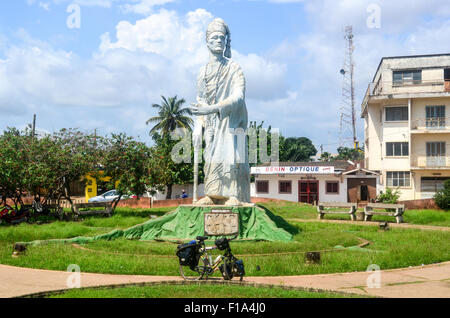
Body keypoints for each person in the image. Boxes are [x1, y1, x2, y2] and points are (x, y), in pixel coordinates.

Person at [190, 18, 250, 206]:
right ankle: (212, 194)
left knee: (231, 155)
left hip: (231, 121)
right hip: (211, 125)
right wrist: (197, 125)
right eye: (214, 37)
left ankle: (234, 195)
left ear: (226, 42)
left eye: (221, 38)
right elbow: (200, 102)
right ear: (207, 41)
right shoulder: (203, 72)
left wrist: (214, 108)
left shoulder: (234, 68)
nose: (218, 41)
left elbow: (239, 96)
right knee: (211, 158)